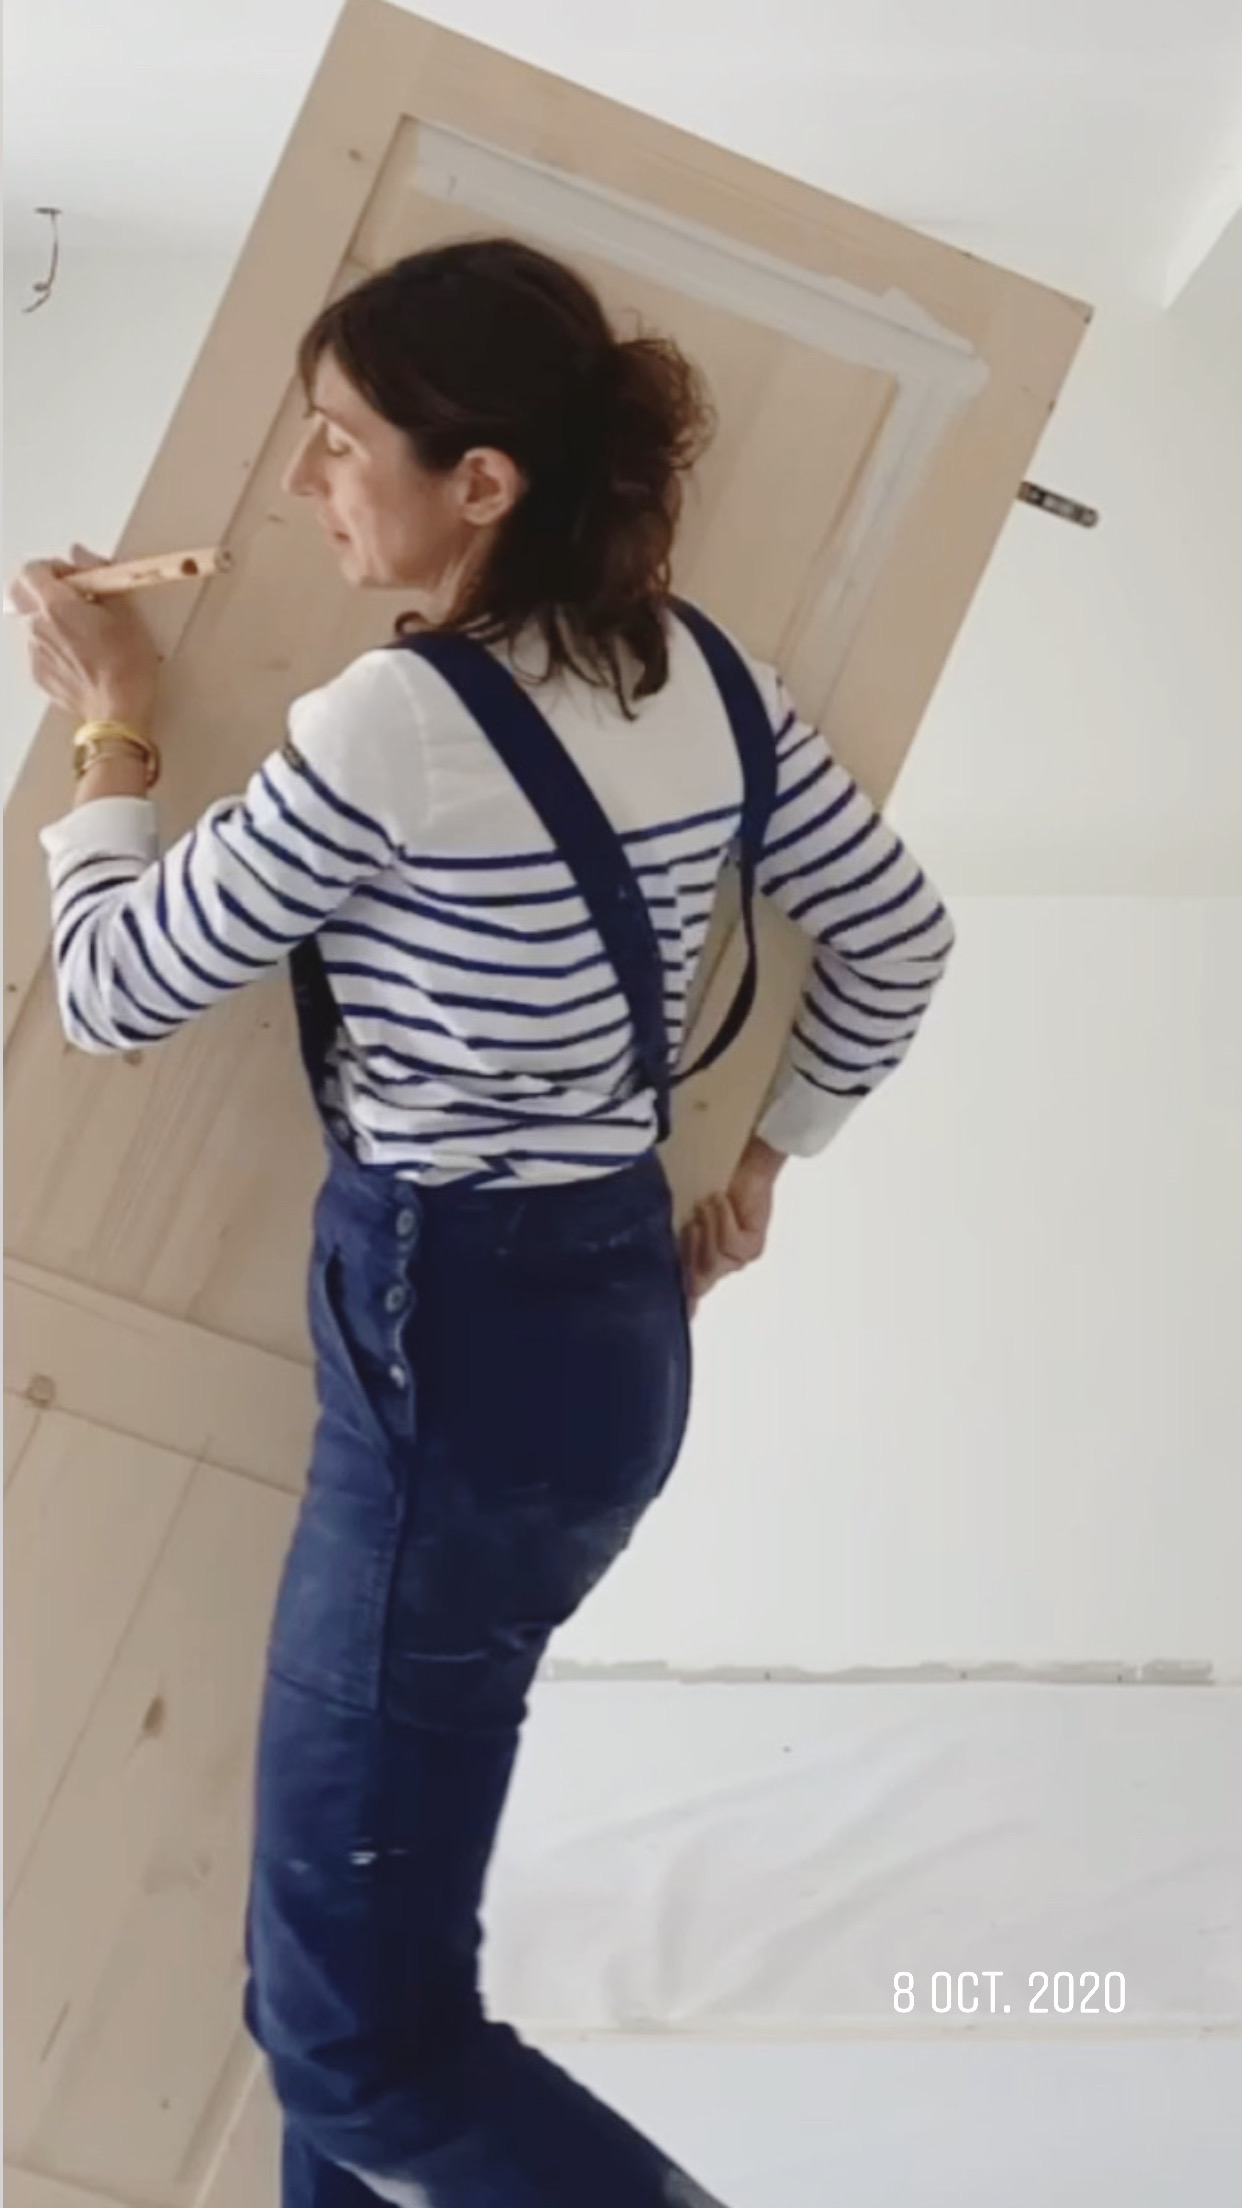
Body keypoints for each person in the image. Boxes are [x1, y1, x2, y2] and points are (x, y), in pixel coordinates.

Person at [13, 236, 955, 2208]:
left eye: (339, 441)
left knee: (359, 2039)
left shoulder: (391, 725)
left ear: (484, 482)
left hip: (447, 1367)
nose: (303, 482)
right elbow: (898, 933)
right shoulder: (702, 676)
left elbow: (108, 990)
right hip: (609, 1346)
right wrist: (765, 1155)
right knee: (341, 1990)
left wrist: (112, 729)